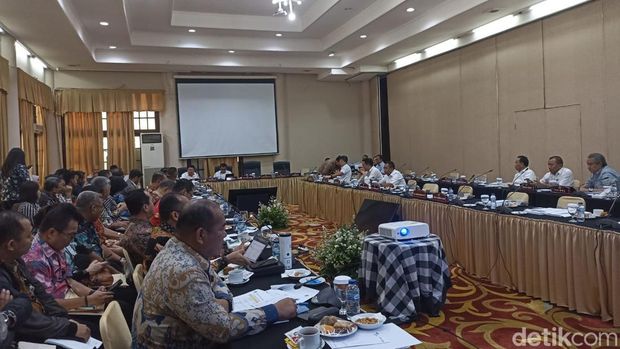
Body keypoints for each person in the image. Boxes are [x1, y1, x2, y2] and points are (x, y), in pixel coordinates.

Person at [133, 200, 296, 348]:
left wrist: (224, 302)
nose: (225, 235)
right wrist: (275, 311)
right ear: (201, 235)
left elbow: (214, 280)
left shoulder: (178, 247)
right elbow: (222, 330)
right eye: (222, 229)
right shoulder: (184, 272)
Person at [0, 211, 92, 343]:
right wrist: (68, 327)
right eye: (28, 236)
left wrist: (63, 318)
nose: (33, 238)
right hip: (28, 334)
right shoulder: (6, 275)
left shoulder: (17, 261)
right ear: (11, 245)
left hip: (46, 320)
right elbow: (24, 317)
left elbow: (40, 292)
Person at [22, 204, 114, 311]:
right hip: (58, 313)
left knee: (117, 299)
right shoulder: (35, 260)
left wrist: (93, 293)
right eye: (71, 236)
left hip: (71, 299)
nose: (72, 240)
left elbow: (68, 281)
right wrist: (88, 300)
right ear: (51, 233)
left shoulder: (56, 246)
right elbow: (47, 303)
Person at [144, 193, 189, 270]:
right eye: (190, 211)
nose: (194, 215)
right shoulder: (169, 241)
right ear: (175, 215)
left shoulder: (158, 229)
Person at [118, 190, 154, 266]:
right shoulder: (144, 233)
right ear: (145, 207)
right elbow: (156, 260)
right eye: (152, 201)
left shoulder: (132, 226)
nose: (154, 204)